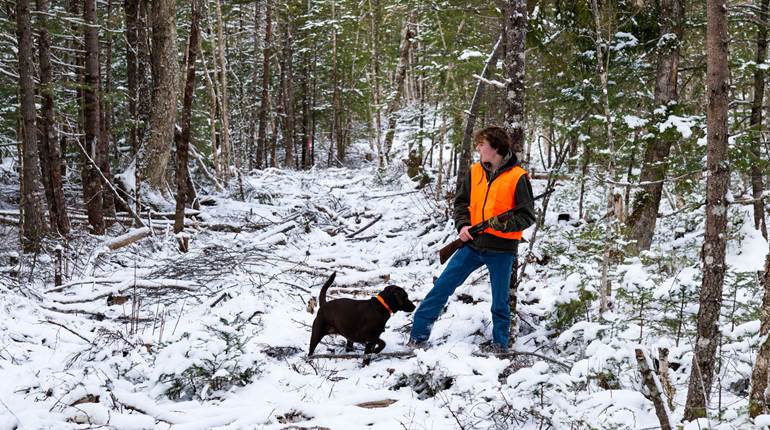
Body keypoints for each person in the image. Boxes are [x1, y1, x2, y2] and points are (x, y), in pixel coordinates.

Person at [408, 126, 536, 353]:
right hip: (472, 244)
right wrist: (463, 225)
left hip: (502, 250)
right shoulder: (475, 171)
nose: (478, 148)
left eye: (482, 144)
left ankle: (500, 346)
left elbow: (527, 217)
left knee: (499, 302)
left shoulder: (518, 177)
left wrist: (504, 225)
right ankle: (417, 337)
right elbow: (461, 203)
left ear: (495, 148)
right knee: (441, 288)